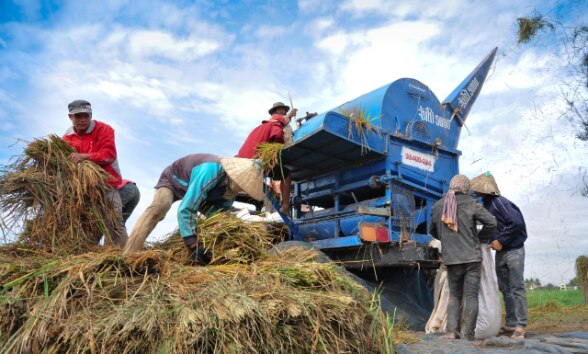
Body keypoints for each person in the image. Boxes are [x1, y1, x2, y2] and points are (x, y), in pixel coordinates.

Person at [122, 154, 264, 263]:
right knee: (159, 208)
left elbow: (218, 213)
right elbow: (187, 208)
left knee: (219, 218)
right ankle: (128, 256)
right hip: (174, 180)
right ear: (236, 176)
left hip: (201, 191)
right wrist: (192, 244)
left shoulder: (232, 190)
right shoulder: (211, 171)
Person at [429, 174, 497, 340]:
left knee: (454, 295)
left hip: (451, 259)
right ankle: (468, 335)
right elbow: (492, 222)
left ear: (451, 186)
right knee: (471, 296)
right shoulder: (471, 203)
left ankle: (451, 332)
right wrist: (479, 239)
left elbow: (432, 230)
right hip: (472, 258)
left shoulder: (438, 206)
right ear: (465, 188)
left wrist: (448, 240)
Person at [471, 171, 528, 340]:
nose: (476, 192)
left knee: (517, 287)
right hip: (501, 253)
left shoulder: (499, 202)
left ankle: (521, 325)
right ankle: (511, 323)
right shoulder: (487, 206)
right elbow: (494, 227)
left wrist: (501, 240)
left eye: (478, 189)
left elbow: (516, 222)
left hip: (514, 250)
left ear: (486, 190)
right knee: (505, 287)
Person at [62, 99, 128, 247]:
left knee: (114, 221)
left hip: (107, 184)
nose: (83, 120)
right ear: (70, 117)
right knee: (88, 222)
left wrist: (85, 156)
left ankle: (125, 257)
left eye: (86, 115)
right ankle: (91, 255)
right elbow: (63, 160)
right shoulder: (67, 137)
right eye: (78, 116)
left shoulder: (104, 129)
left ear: (91, 115)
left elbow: (108, 155)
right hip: (84, 188)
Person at [237, 102, 297, 214]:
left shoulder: (259, 128)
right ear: (275, 113)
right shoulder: (276, 122)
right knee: (286, 174)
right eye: (280, 110)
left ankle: (272, 204)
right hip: (255, 161)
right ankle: (285, 206)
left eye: (284, 110)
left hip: (242, 161)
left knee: (271, 178)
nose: (283, 112)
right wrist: (280, 146)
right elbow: (278, 136)